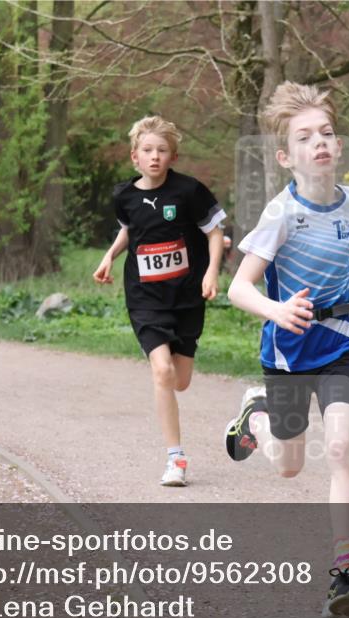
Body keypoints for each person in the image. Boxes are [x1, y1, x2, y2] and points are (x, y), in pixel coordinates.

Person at [225, 81, 349, 618]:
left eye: (327, 133)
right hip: (289, 351)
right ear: (285, 156)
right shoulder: (280, 214)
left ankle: (345, 575)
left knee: (340, 448)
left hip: (339, 345)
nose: (319, 142)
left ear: (338, 148)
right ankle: (259, 418)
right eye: (305, 136)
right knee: (289, 467)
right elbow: (239, 288)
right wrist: (276, 311)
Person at [93, 115, 225, 487]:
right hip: (145, 298)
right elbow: (129, 230)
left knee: (180, 381)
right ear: (135, 156)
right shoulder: (124, 196)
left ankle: (182, 443)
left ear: (173, 156)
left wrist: (211, 272)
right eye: (148, 150)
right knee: (162, 372)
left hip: (186, 297)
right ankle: (175, 458)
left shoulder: (189, 192)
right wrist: (109, 256)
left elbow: (215, 233)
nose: (155, 157)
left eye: (162, 151)